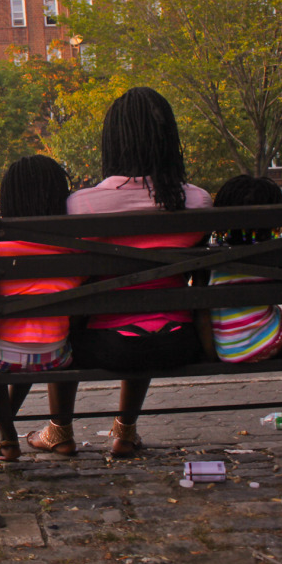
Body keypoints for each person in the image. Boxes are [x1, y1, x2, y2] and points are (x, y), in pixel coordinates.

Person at [30, 87, 211, 458]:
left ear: (113, 141)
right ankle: (125, 432)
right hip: (179, 342)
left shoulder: (83, 205)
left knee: (66, 306)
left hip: (104, 345)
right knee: (150, 302)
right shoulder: (197, 200)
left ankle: (59, 429)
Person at [0, 155, 82, 462]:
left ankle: (7, 437)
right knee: (41, 338)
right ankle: (61, 432)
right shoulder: (74, 246)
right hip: (55, 355)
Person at [197, 175, 282, 362]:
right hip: (271, 345)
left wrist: (213, 355)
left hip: (225, 350)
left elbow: (202, 319)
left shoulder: (208, 262)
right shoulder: (273, 258)